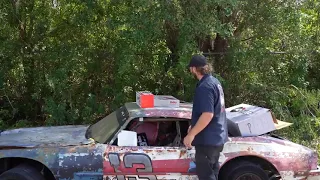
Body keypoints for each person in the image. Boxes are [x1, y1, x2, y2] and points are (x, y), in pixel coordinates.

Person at [183, 54, 228, 180]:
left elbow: (208, 114)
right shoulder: (214, 82)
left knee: (206, 176)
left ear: (193, 69)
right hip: (216, 138)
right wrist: (194, 124)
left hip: (207, 140)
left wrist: (191, 134)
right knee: (213, 174)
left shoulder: (205, 87)